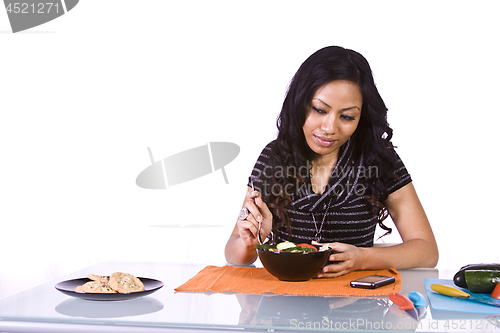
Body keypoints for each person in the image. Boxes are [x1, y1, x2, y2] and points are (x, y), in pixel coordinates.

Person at [224, 46, 438, 277]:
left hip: (356, 304)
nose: (329, 128)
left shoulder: (378, 159)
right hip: (284, 302)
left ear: (362, 116)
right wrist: (249, 241)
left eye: (347, 116)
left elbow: (426, 251)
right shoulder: (274, 157)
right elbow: (233, 253)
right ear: (299, 103)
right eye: (318, 109)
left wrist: (364, 258)